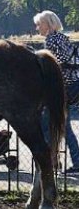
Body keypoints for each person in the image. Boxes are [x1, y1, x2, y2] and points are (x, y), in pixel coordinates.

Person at [34, 10, 79, 173]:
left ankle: (47, 163)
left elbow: (51, 68)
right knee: (63, 125)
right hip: (75, 84)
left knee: (46, 125)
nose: (37, 28)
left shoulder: (51, 40)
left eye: (39, 24)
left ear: (48, 24)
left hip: (65, 87)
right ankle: (59, 161)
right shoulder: (63, 37)